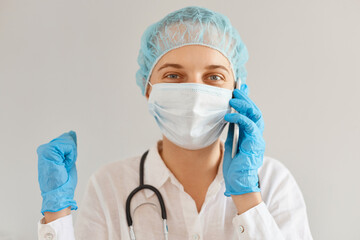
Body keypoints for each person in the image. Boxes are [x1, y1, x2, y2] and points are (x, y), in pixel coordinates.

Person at [37, 6, 313, 240]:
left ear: (237, 90)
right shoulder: (109, 186)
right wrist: (57, 216)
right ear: (148, 88)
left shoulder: (274, 182)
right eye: (173, 76)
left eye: (214, 77)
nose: (194, 92)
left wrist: (248, 199)